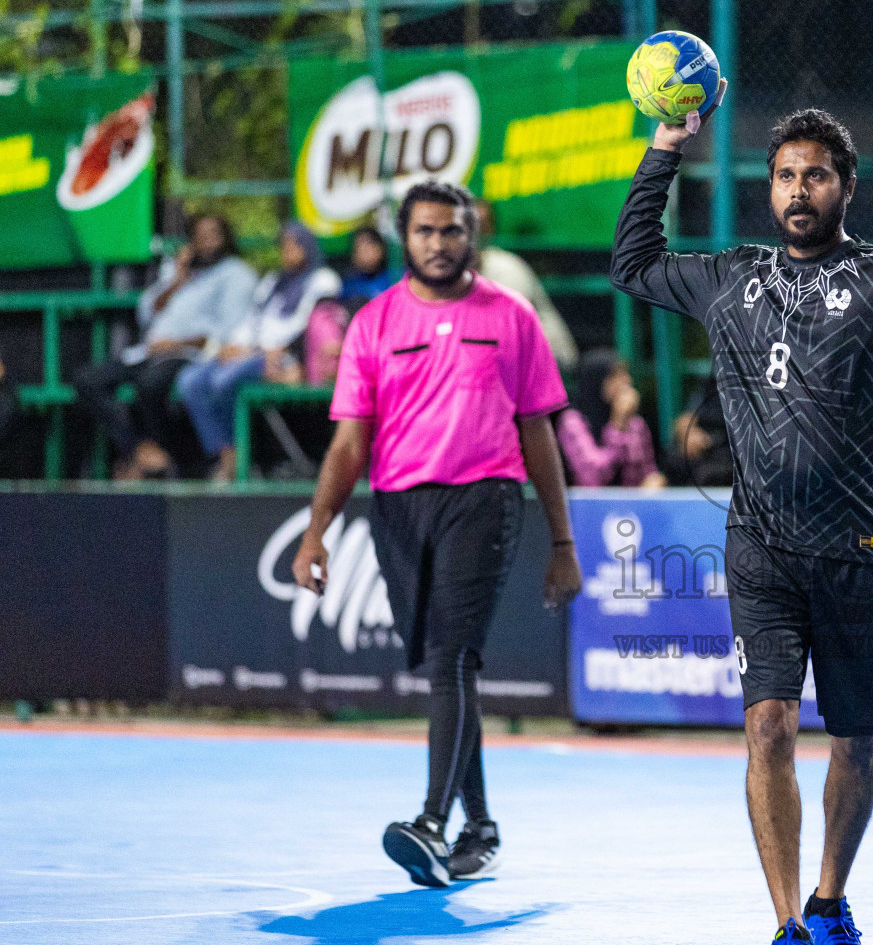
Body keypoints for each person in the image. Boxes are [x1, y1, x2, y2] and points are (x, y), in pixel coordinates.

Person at [611, 94, 873, 945]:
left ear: (846, 187)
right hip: (762, 551)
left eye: (815, 175)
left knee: (858, 742)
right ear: (770, 188)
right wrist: (666, 144)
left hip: (861, 550)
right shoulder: (730, 276)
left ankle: (832, 902)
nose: (798, 188)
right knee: (770, 726)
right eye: (786, 174)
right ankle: (786, 926)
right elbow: (632, 262)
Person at [291, 181, 581, 887]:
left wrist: (562, 542)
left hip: (484, 499)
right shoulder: (373, 323)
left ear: (471, 234)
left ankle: (431, 822)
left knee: (452, 655)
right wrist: (315, 533)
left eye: (453, 231)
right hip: (397, 508)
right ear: (405, 236)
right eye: (425, 231)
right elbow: (348, 445)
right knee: (444, 667)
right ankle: (480, 824)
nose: (440, 243)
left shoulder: (511, 317)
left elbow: (537, 429)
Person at [75, 213, 257, 478]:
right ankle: (139, 449)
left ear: (225, 238)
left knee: (151, 384)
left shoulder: (237, 275)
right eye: (199, 236)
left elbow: (227, 334)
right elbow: (147, 311)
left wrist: (176, 343)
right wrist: (178, 281)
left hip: (192, 355)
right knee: (87, 380)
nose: (205, 242)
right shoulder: (181, 273)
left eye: (212, 235)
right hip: (150, 352)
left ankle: (166, 461)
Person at [176, 222, 341, 481]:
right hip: (251, 352)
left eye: (294, 244)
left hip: (283, 357)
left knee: (222, 381)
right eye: (284, 244)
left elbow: (307, 326)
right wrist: (233, 345)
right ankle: (227, 451)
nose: (287, 250)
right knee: (190, 381)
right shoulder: (273, 281)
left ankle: (238, 460)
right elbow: (253, 320)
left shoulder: (323, 279)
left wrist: (266, 350)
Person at [473, 200, 578, 370]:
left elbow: (508, 331)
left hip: (549, 361)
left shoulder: (506, 266)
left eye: (480, 227)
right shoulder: (450, 273)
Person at [556, 348, 665, 488]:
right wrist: (617, 426)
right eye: (615, 376)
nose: (626, 381)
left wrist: (655, 481)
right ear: (596, 381)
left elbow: (648, 472)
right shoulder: (572, 422)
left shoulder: (636, 424)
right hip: (591, 508)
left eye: (625, 374)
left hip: (633, 507)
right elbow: (593, 478)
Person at [663, 373, 734, 487]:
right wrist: (688, 434)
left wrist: (710, 441)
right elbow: (687, 417)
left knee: (706, 474)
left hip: (729, 451)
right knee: (675, 460)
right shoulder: (711, 382)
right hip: (705, 447)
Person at [339, 225, 400, 310]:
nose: (365, 251)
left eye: (369, 244)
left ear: (381, 247)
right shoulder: (349, 286)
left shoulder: (397, 277)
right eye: (359, 247)